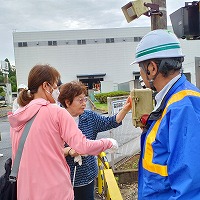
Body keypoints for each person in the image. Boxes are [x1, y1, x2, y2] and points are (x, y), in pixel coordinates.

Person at [8, 64, 118, 200]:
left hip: (25, 191)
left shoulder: (18, 115)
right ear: (45, 86)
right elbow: (82, 146)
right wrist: (107, 142)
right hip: (55, 191)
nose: (57, 91)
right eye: (55, 86)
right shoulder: (56, 112)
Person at [132, 29, 200, 199]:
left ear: (152, 68)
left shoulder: (183, 107)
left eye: (141, 67)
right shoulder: (172, 100)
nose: (141, 74)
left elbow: (189, 190)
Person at [58, 81, 132, 200]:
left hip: (87, 176)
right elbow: (49, 150)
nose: (84, 103)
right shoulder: (56, 120)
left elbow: (110, 122)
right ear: (67, 102)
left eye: (85, 99)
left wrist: (125, 109)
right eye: (80, 100)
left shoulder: (89, 117)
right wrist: (68, 150)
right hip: (62, 178)